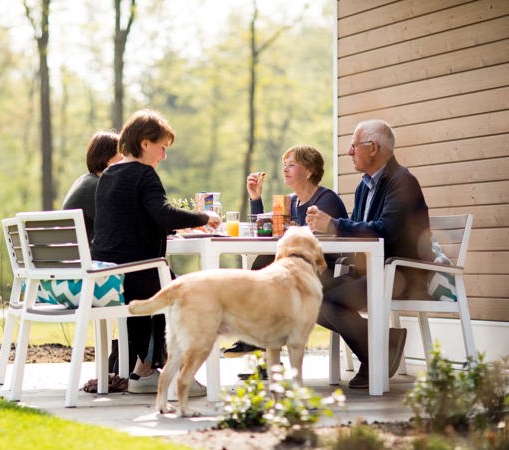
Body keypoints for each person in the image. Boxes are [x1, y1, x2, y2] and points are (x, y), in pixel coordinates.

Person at [91, 109, 221, 394]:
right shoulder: (144, 174)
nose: (164, 155)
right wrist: (203, 218)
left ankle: (144, 371)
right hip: (138, 275)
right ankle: (177, 375)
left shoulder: (109, 175)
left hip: (107, 276)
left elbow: (131, 222)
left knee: (168, 279)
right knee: (187, 293)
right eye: (162, 147)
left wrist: (173, 228)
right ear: (145, 143)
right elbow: (163, 214)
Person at [306, 119, 433, 389]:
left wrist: (333, 225)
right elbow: (359, 232)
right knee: (310, 297)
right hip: (371, 272)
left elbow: (384, 231)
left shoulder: (403, 182)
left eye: (353, 146)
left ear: (372, 147)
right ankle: (384, 344)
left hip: (403, 274)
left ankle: (374, 357)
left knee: (332, 302)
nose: (349, 152)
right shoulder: (364, 185)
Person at [224, 144, 348, 359]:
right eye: (284, 165)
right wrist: (255, 198)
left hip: (323, 272)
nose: (285, 169)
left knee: (268, 276)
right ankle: (262, 349)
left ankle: (257, 342)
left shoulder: (326, 199)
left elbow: (322, 248)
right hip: (295, 271)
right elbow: (268, 231)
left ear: (309, 171)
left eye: (292, 165)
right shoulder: (290, 201)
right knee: (264, 263)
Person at [62, 131, 123, 242]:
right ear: (109, 160)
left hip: (73, 256)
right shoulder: (96, 187)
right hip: (88, 257)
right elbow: (120, 227)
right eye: (122, 155)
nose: (126, 160)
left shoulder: (85, 181)